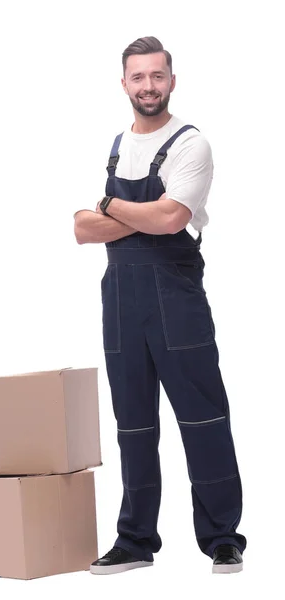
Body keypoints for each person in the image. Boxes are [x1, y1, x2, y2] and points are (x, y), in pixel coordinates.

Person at [73, 36, 247, 575]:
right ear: (124, 83)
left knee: (203, 416)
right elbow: (80, 230)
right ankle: (136, 538)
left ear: (172, 80)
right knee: (133, 422)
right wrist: (131, 212)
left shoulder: (191, 144)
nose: (148, 86)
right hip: (121, 298)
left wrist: (107, 207)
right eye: (138, 77)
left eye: (157, 76)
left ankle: (222, 536)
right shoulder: (117, 146)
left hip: (176, 298)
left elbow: (172, 219)